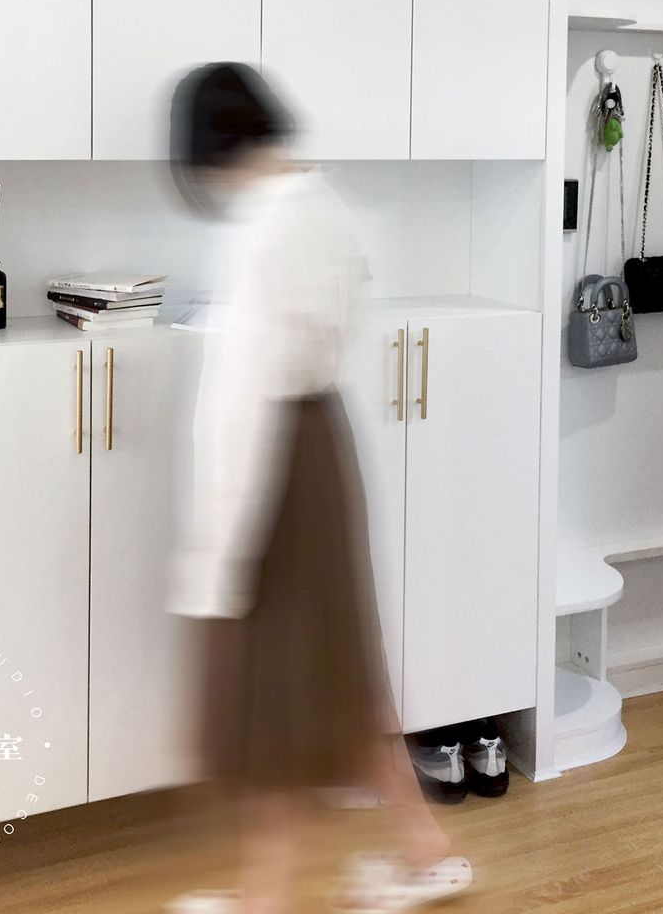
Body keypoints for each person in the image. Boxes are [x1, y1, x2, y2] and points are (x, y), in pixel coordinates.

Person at [166, 63, 471, 914]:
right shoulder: (321, 201)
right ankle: (424, 851)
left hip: (275, 472)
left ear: (210, 148)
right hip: (322, 451)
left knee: (279, 699)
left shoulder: (263, 231)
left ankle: (265, 898)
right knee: (338, 678)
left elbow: (236, 409)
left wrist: (211, 561)